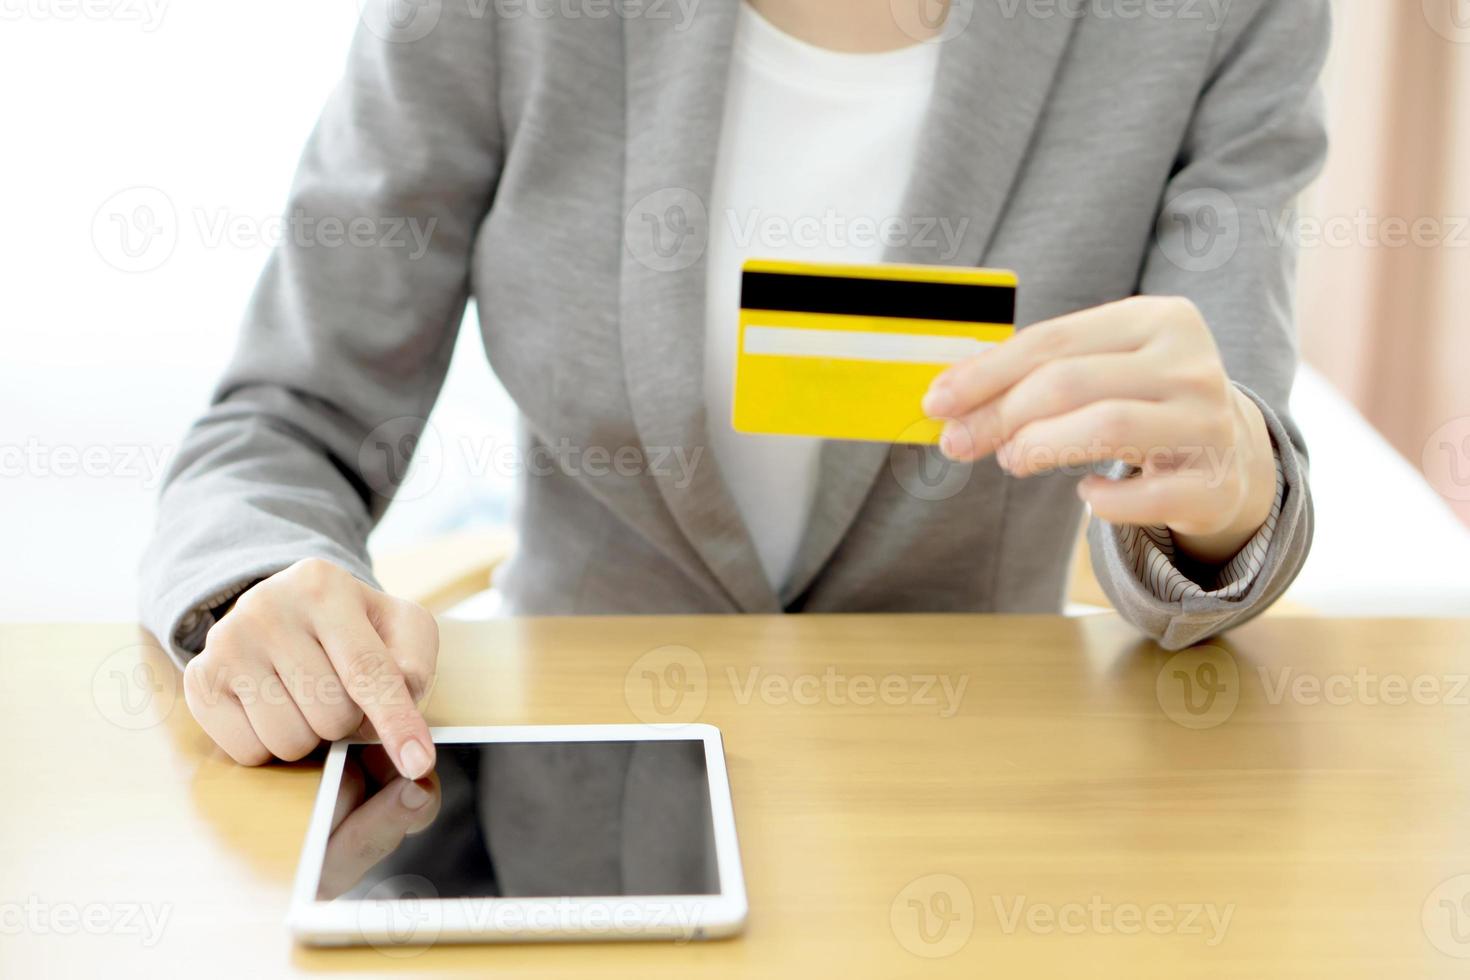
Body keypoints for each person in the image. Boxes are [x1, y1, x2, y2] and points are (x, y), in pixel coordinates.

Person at [141, 0, 1330, 778]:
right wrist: (265, 586)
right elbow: (285, 418)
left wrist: (1226, 491)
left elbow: (1215, 473)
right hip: (573, 778)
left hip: (981, 788)